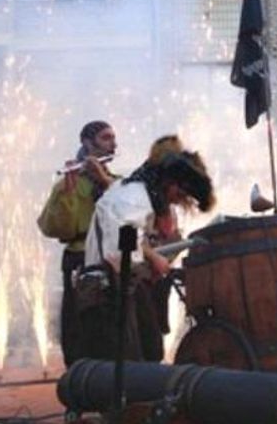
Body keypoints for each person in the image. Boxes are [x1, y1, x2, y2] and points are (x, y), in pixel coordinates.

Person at [81, 139, 215, 362]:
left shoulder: (139, 197)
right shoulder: (133, 199)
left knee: (151, 349)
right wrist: (154, 258)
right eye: (181, 192)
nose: (179, 200)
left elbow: (130, 236)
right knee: (125, 362)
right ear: (169, 183)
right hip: (106, 288)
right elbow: (120, 247)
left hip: (124, 282)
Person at [37, 120, 117, 366]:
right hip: (80, 258)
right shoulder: (67, 184)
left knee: (114, 324)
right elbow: (55, 228)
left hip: (112, 260)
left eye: (113, 138)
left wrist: (103, 180)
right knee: (80, 325)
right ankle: (81, 374)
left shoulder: (116, 182)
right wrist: (66, 194)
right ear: (87, 143)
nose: (113, 143)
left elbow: (127, 213)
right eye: (106, 138)